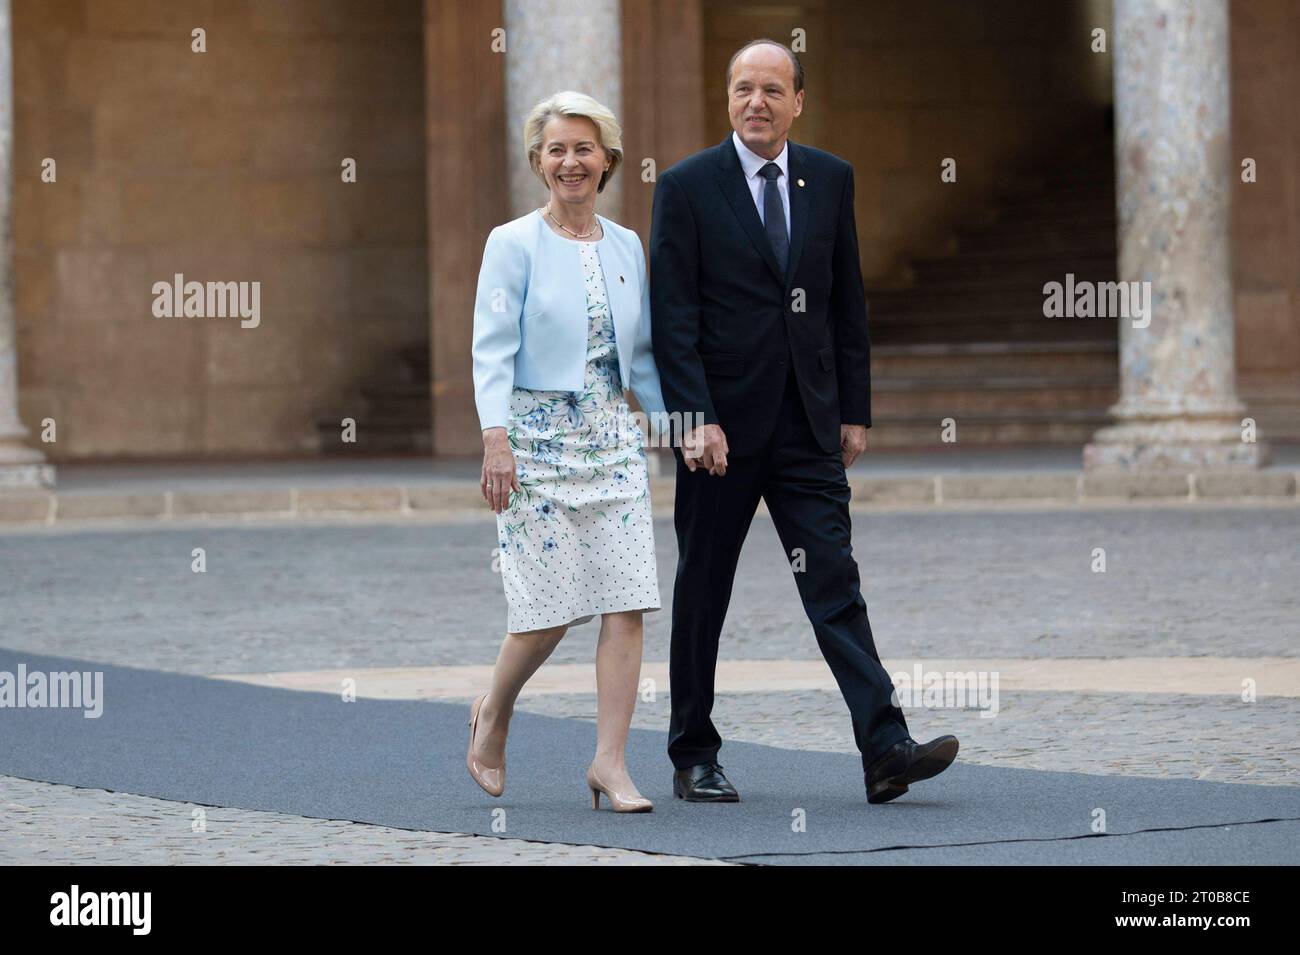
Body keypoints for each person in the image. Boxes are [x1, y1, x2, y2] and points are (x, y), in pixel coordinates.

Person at [650, 39, 959, 805]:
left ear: (798, 102)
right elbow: (672, 314)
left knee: (834, 584)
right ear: (728, 99)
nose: (756, 102)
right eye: (743, 89)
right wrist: (694, 420)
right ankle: (694, 755)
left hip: (808, 429)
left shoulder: (830, 178)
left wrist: (854, 409)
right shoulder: (687, 186)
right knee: (703, 593)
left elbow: (845, 301)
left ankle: (885, 746)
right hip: (715, 437)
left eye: (772, 91)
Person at [468, 90, 666, 812]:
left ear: (607, 161)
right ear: (538, 161)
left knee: (627, 602)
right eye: (557, 149)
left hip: (611, 443)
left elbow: (638, 358)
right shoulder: (511, 242)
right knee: (547, 613)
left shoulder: (625, 245)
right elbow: (491, 350)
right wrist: (496, 436)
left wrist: (686, 425)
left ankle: (609, 762)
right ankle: (493, 710)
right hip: (534, 442)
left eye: (584, 148)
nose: (570, 161)